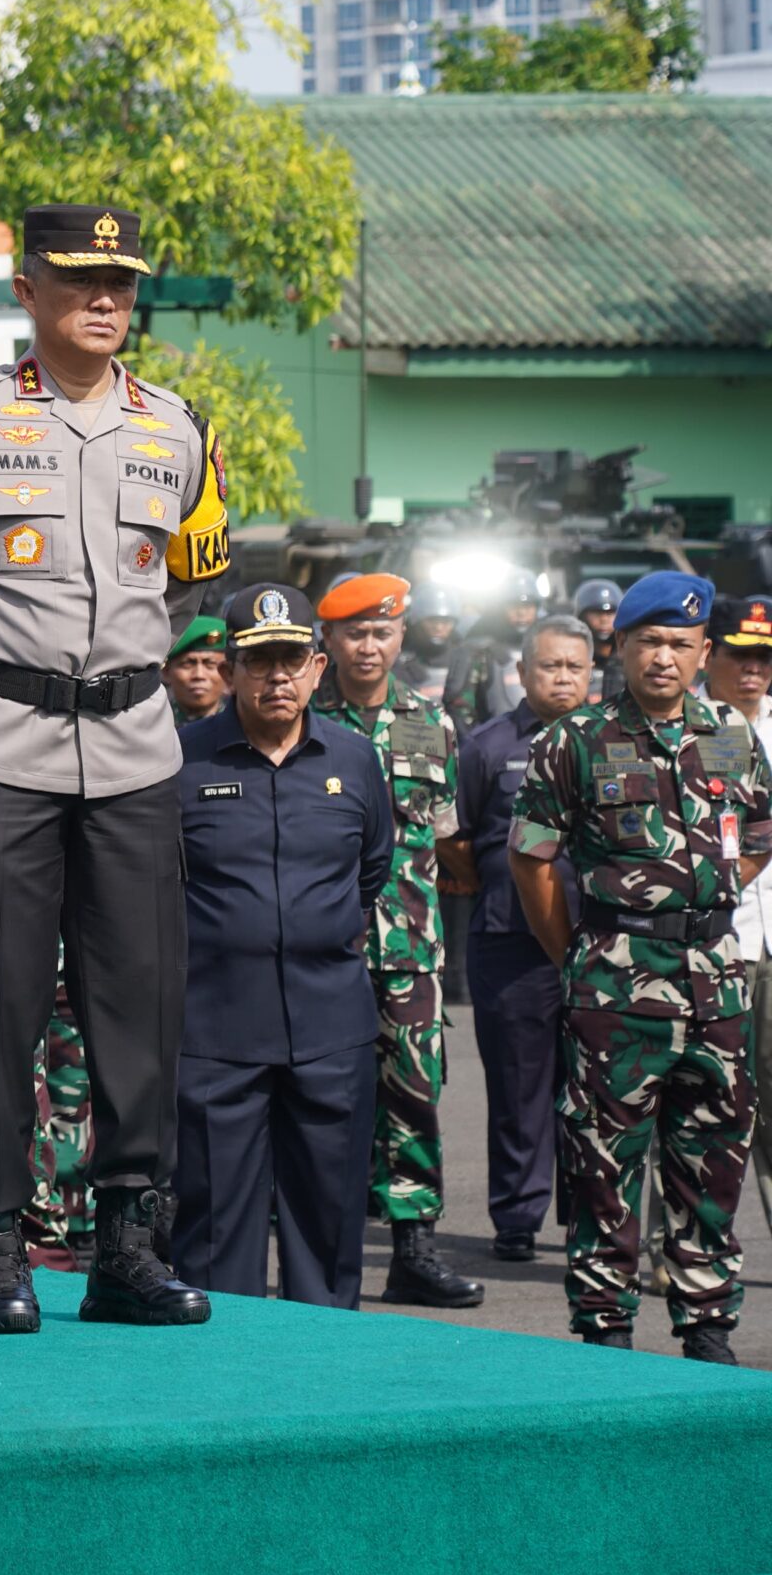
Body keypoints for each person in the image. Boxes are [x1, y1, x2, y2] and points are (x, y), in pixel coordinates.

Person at [0, 202, 222, 1334]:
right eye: (79, 280)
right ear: (27, 291)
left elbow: (189, 579)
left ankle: (125, 1239)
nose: (106, 299)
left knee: (140, 999)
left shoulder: (177, 429)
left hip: (131, 746)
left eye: (121, 280)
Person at [511, 573, 772, 1362]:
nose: (664, 659)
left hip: (718, 985)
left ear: (703, 654)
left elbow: (758, 834)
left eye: (680, 646)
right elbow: (531, 858)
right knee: (604, 1165)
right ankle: (606, 1328)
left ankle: (708, 1327)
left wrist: (708, 901)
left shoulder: (728, 730)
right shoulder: (575, 739)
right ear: (617, 647)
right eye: (648, 642)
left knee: (713, 1159)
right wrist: (583, 953)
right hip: (614, 984)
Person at [169, 585, 392, 1306]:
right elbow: (152, 884)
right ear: (231, 668)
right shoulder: (179, 760)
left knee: (328, 1232)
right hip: (214, 1030)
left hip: (330, 1030)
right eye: (259, 661)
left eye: (291, 660)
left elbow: (372, 871)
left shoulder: (355, 760)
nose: (277, 677)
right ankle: (220, 1392)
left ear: (318, 668)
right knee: (211, 1236)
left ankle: (326, 1389)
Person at [311, 574, 484, 1308]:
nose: (369, 645)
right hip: (326, 946)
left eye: (382, 632)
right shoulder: (304, 715)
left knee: (414, 1095)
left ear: (402, 636)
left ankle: (413, 1248)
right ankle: (326, 1254)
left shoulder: (432, 722)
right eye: (355, 633)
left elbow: (448, 839)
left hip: (410, 950)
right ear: (330, 641)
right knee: (326, 1101)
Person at [448, 615, 593, 1262]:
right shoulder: (487, 745)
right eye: (549, 666)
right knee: (518, 1084)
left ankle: (591, 1215)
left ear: (590, 674)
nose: (562, 677)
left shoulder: (613, 741)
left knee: (599, 1087)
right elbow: (455, 839)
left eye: (574, 667)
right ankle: (517, 1217)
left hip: (601, 939)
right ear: (523, 671)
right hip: (510, 941)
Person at [700, 594, 772, 1236]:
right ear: (710, 655)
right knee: (706, 1098)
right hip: (717, 939)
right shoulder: (693, 727)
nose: (752, 670)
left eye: (764, 659)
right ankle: (684, 1240)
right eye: (739, 656)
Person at [446, 571, 543, 732]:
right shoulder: (479, 651)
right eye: (514, 606)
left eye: (528, 606)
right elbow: (459, 707)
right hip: (497, 744)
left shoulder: (550, 646)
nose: (521, 613)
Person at [399, 583, 463, 704]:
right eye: (432, 620)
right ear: (417, 621)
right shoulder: (398, 660)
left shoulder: (465, 657)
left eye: (446, 621)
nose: (438, 627)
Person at [165, 614, 229, 725]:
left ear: (228, 673)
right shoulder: (153, 725)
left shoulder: (245, 725)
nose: (199, 675)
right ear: (165, 671)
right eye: (187, 664)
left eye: (210, 664)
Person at [574, 578, 624, 700]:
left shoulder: (629, 662)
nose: (604, 620)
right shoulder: (572, 662)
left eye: (610, 613)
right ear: (582, 617)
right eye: (597, 613)